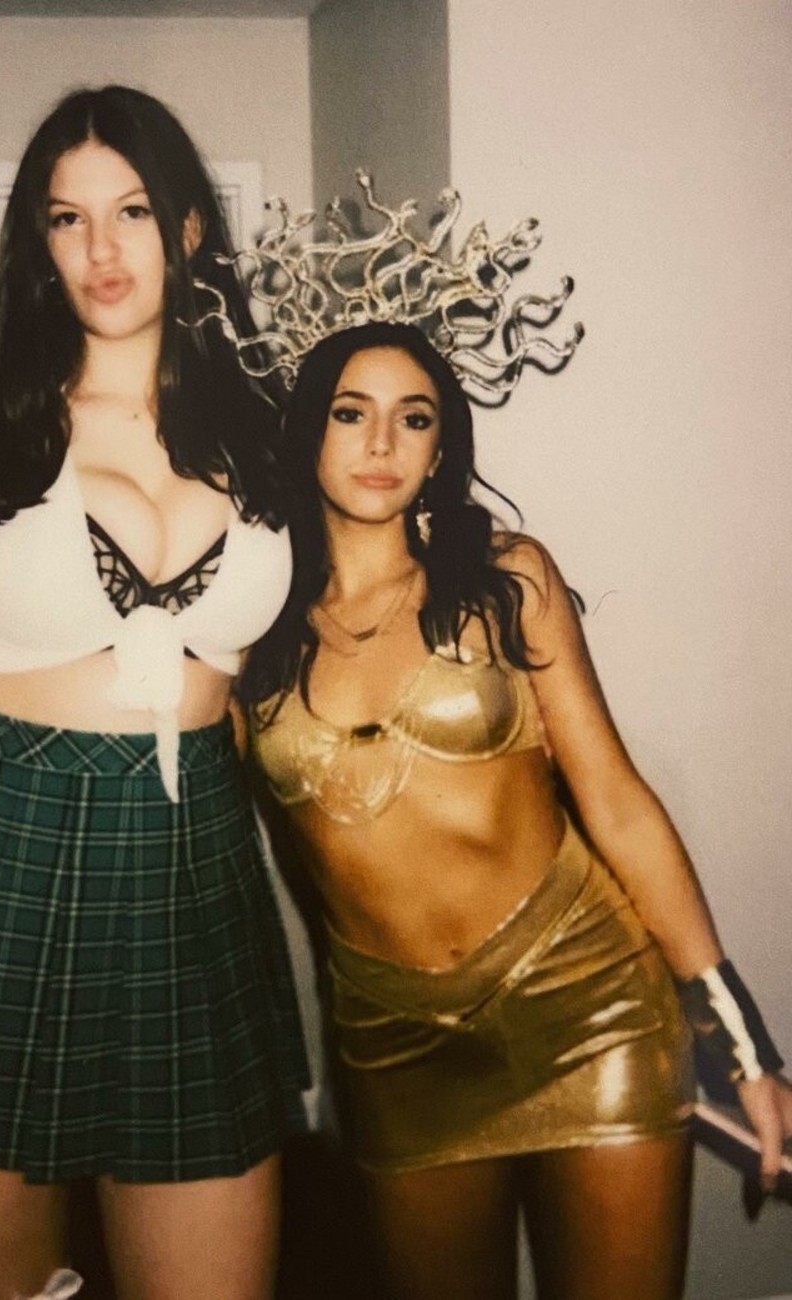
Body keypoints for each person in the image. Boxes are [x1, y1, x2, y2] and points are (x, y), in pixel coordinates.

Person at [0, 85, 308, 1300]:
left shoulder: (268, 423)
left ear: (187, 228)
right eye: (67, 218)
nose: (101, 249)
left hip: (193, 866)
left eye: (132, 211)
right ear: (38, 243)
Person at [242, 319, 792, 1300]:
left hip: (592, 1011)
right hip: (397, 1054)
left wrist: (741, 1045)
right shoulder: (249, 636)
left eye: (414, 418)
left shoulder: (506, 581)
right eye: (351, 414)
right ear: (307, 433)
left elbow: (617, 802)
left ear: (441, 447)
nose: (382, 443)